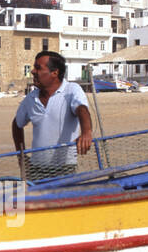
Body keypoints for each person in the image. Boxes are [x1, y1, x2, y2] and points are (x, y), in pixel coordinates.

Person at [10, 51, 93, 180]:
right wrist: (21, 156)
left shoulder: (71, 90)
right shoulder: (31, 99)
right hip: (36, 168)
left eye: (38, 68)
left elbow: (81, 109)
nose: (33, 72)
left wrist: (86, 132)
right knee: (36, 199)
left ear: (55, 73)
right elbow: (17, 124)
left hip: (65, 167)